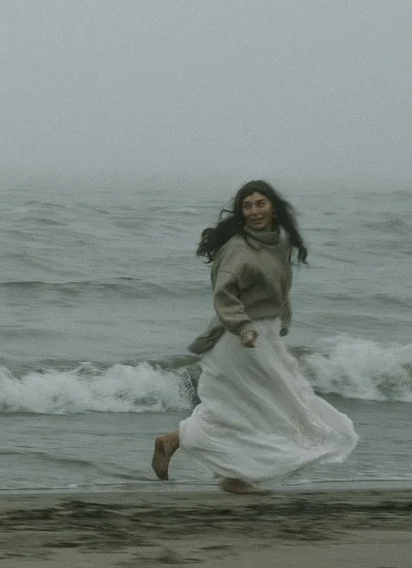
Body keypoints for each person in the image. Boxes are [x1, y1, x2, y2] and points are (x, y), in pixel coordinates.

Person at [150, 180, 357, 494]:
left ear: (273, 207)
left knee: (250, 406)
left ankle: (181, 446)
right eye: (247, 206)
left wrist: (281, 320)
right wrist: (244, 327)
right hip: (239, 339)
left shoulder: (279, 244)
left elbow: (278, 287)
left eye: (260, 203)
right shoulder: (239, 247)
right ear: (241, 212)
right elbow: (223, 294)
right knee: (263, 405)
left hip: (263, 337)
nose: (254, 211)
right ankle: (232, 474)